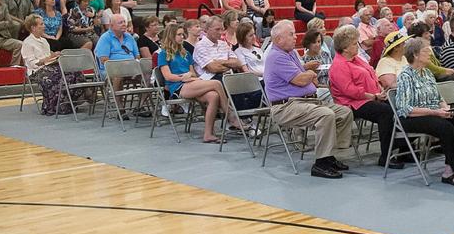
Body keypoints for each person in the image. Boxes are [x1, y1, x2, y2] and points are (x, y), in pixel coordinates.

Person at [263, 20, 354, 179]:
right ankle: (320, 163)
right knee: (325, 115)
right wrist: (310, 74)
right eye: (291, 34)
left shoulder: (290, 53)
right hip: (286, 106)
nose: (295, 37)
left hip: (306, 101)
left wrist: (306, 70)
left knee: (344, 112)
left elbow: (299, 74)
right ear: (278, 40)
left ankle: (329, 155)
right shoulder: (276, 56)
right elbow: (300, 80)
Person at [392, 38, 454, 185]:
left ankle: (449, 169)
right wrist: (436, 113)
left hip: (433, 113)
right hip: (412, 117)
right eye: (426, 51)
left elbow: (438, 97)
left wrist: (444, 107)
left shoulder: (427, 73)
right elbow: (405, 108)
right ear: (415, 55)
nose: (430, 54)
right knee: (445, 127)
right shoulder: (405, 76)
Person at [327, 25, 401, 168]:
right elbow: (350, 91)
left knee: (397, 105)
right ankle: (386, 155)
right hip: (351, 103)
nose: (358, 46)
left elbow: (372, 74)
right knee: (385, 112)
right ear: (345, 47)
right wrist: (374, 97)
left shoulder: (357, 59)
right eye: (355, 44)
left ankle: (403, 147)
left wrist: (380, 91)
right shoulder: (339, 65)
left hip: (371, 97)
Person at [157, 23, 242, 143]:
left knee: (214, 96)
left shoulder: (185, 53)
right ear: (171, 36)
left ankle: (208, 134)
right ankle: (231, 117)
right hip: (177, 86)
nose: (182, 37)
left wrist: (191, 77)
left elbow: (193, 73)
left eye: (183, 34)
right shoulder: (164, 53)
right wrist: (183, 78)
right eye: (179, 35)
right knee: (216, 84)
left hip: (191, 82)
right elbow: (168, 76)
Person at [21, 14, 80, 116]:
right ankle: (56, 105)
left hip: (50, 66)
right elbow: (32, 63)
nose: (44, 26)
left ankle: (73, 101)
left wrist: (54, 55)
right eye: (41, 24)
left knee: (74, 72)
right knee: (58, 76)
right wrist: (48, 59)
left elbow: (48, 56)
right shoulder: (27, 43)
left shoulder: (44, 41)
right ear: (33, 28)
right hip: (37, 71)